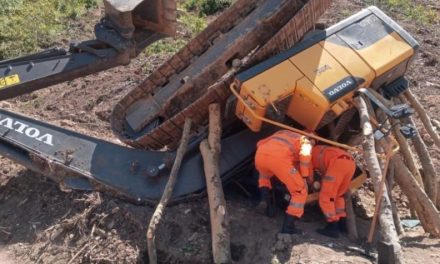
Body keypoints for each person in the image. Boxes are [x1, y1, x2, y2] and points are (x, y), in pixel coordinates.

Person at [255, 130, 313, 234]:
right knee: (300, 191)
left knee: (264, 177)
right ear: (311, 138)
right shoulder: (305, 141)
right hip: (280, 161)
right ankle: (288, 227)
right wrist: (304, 176)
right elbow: (305, 156)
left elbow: (259, 143)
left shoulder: (283, 132)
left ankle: (264, 201)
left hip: (260, 154)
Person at [311, 144, 355, 238]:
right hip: (350, 163)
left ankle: (332, 227)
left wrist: (311, 184)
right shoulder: (320, 149)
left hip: (337, 164)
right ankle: (342, 223)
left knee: (326, 196)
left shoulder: (307, 154)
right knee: (338, 195)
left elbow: (309, 175)